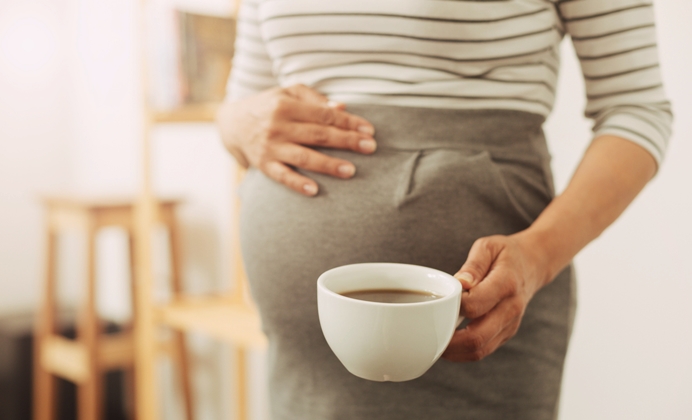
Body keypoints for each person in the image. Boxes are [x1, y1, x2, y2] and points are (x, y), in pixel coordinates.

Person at [216, 0, 672, 419]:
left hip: (482, 332)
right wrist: (233, 122)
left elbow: (637, 107)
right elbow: (245, 107)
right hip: (305, 361)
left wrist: (537, 257)